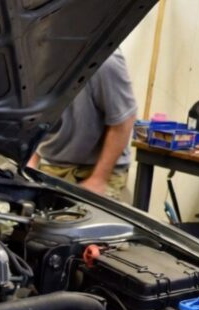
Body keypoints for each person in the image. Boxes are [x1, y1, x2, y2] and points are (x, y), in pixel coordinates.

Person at [28, 51, 138, 203]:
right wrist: (30, 162)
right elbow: (35, 119)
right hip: (52, 165)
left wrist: (98, 179)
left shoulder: (105, 63)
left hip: (97, 169)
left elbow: (123, 123)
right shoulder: (36, 62)